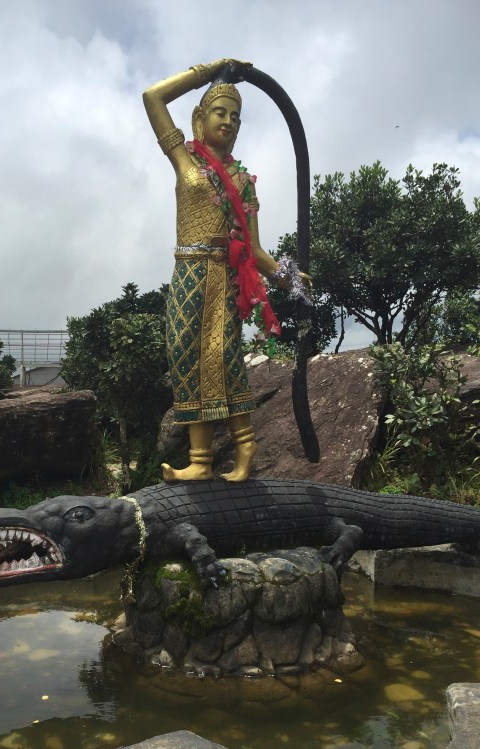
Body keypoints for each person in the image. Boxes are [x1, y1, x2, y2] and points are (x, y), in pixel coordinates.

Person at [143, 59, 291, 483]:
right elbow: (153, 97)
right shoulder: (185, 161)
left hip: (224, 278)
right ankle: (201, 462)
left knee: (222, 359)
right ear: (199, 118)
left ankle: (245, 448)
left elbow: (255, 249)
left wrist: (287, 277)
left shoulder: (243, 181)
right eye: (220, 112)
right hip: (188, 273)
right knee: (184, 355)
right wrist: (210, 72)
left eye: (235, 117)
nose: (228, 121)